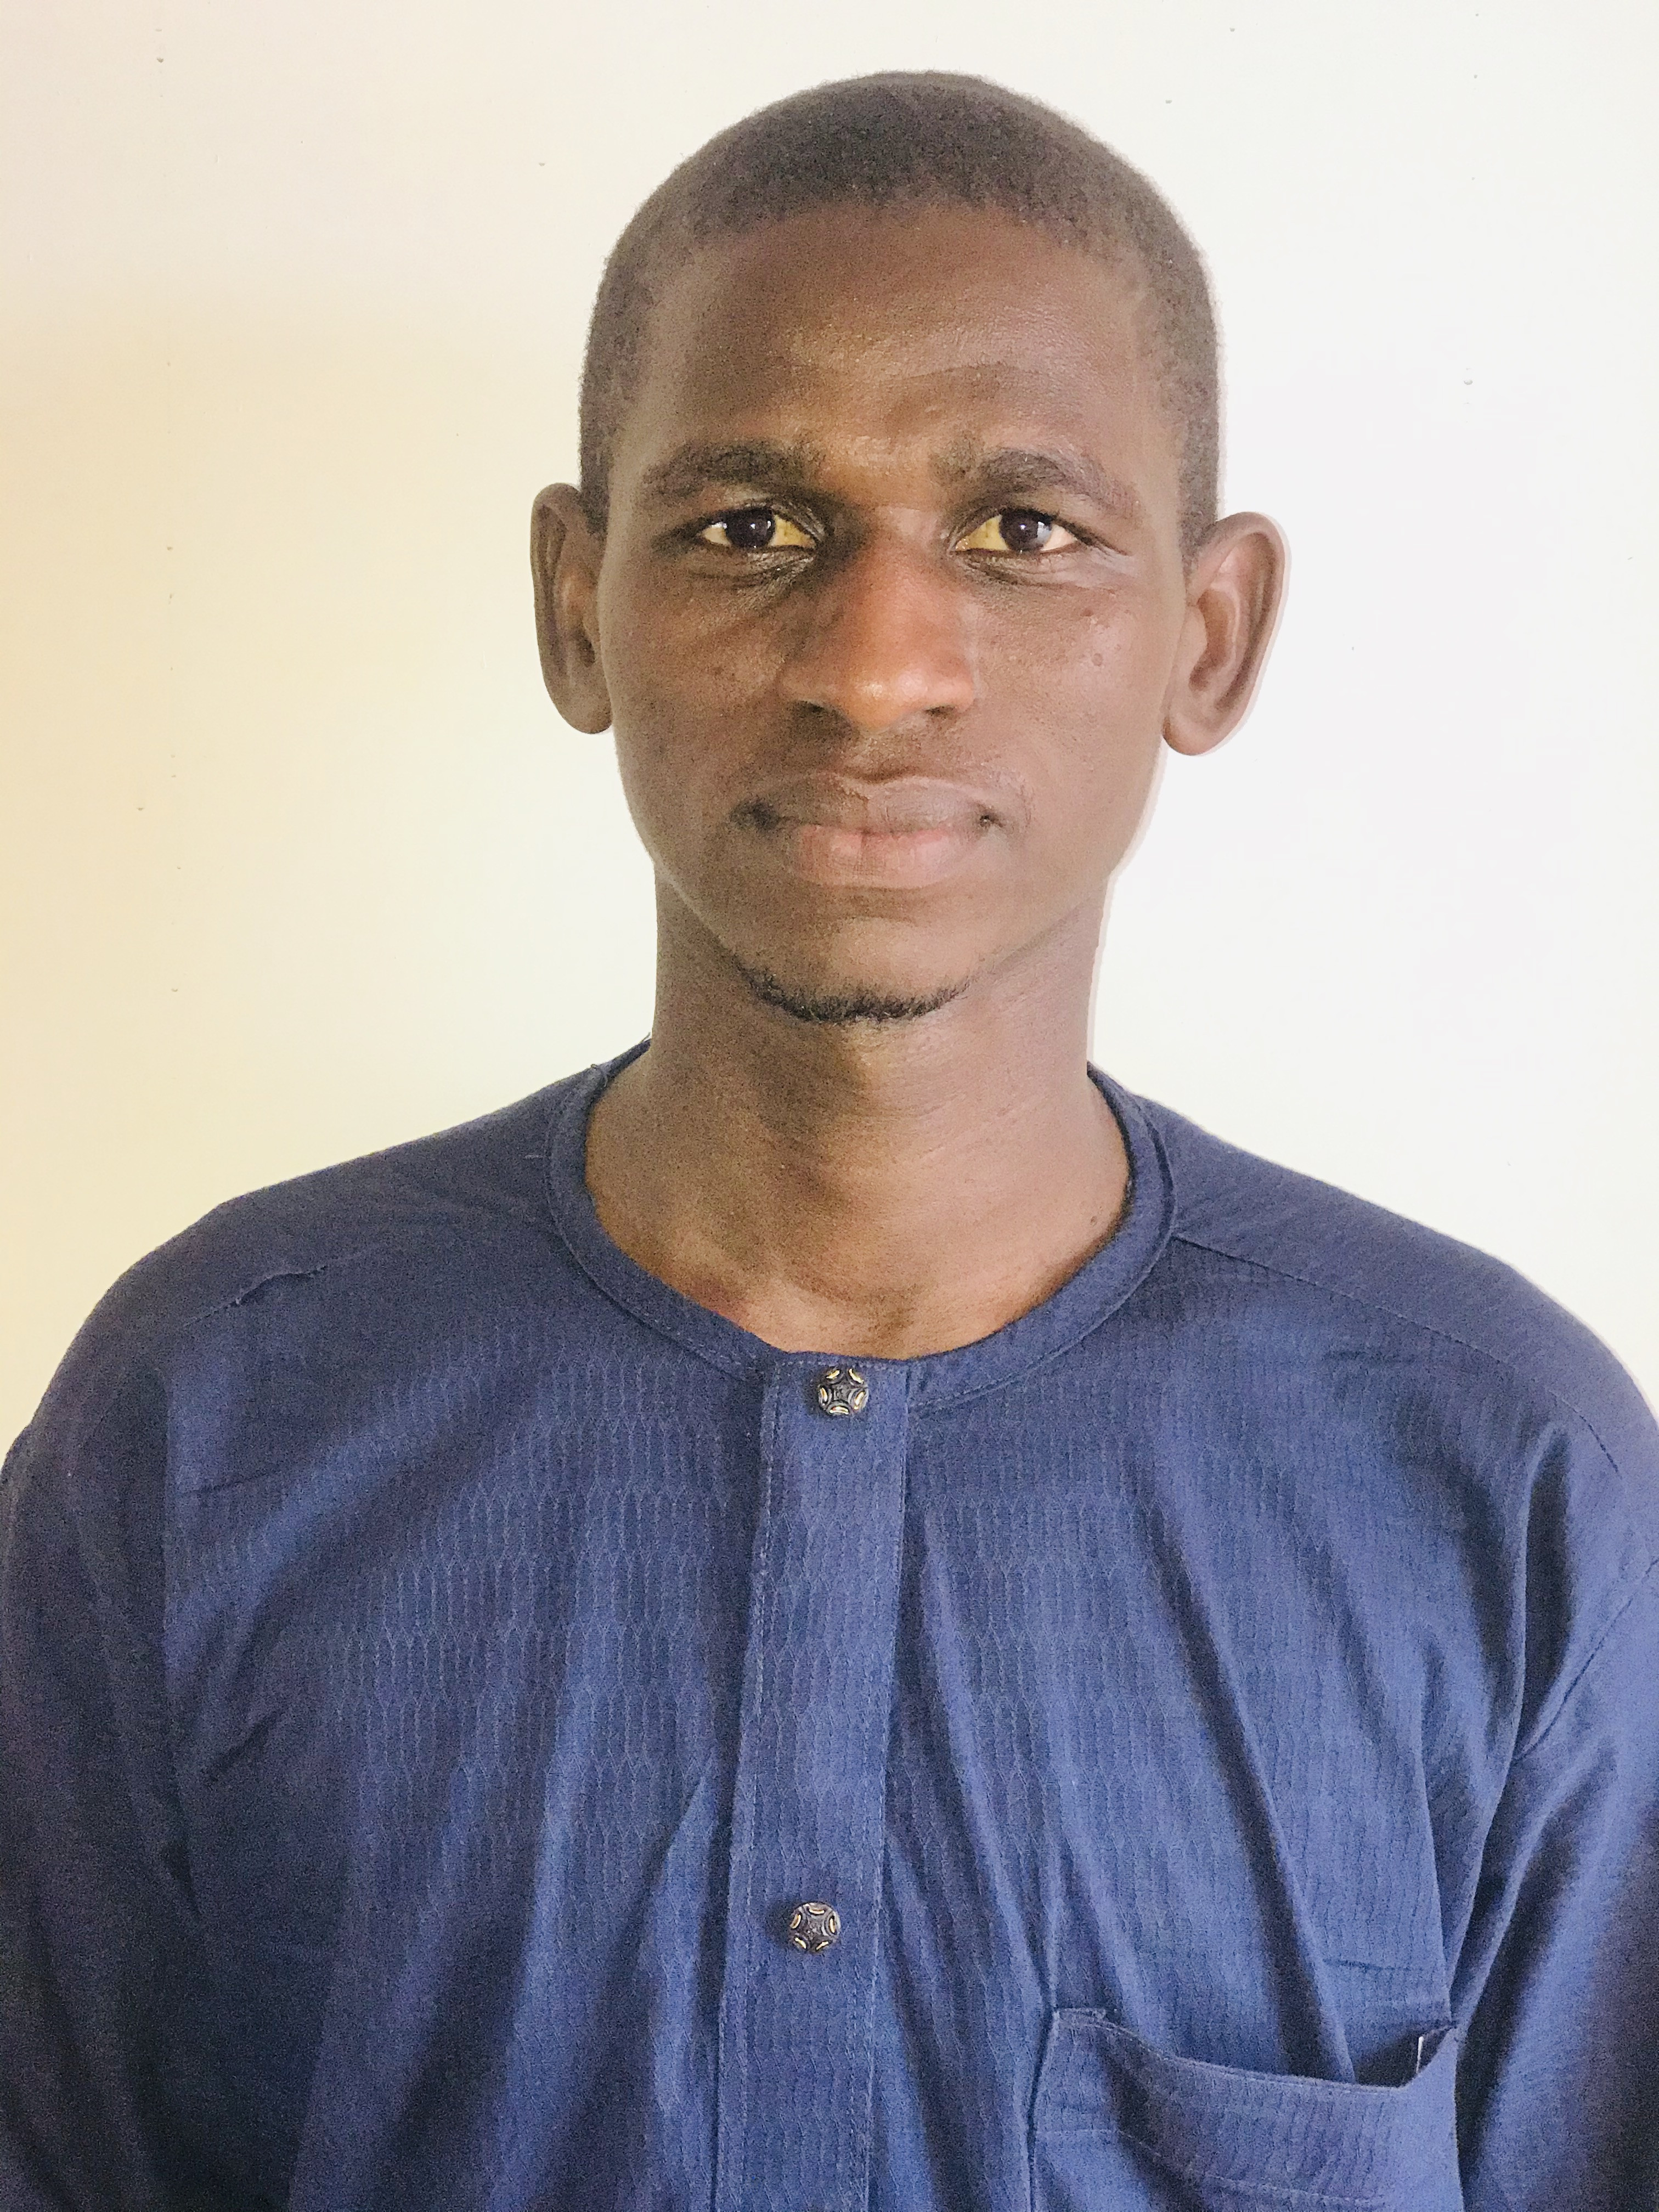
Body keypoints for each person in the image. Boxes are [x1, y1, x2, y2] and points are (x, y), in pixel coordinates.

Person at [2, 70, 1655, 2212]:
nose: (877, 674)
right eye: (752, 528)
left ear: (1210, 633)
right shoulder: (210, 1416)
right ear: (577, 605)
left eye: (1022, 531)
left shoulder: (1502, 1476)